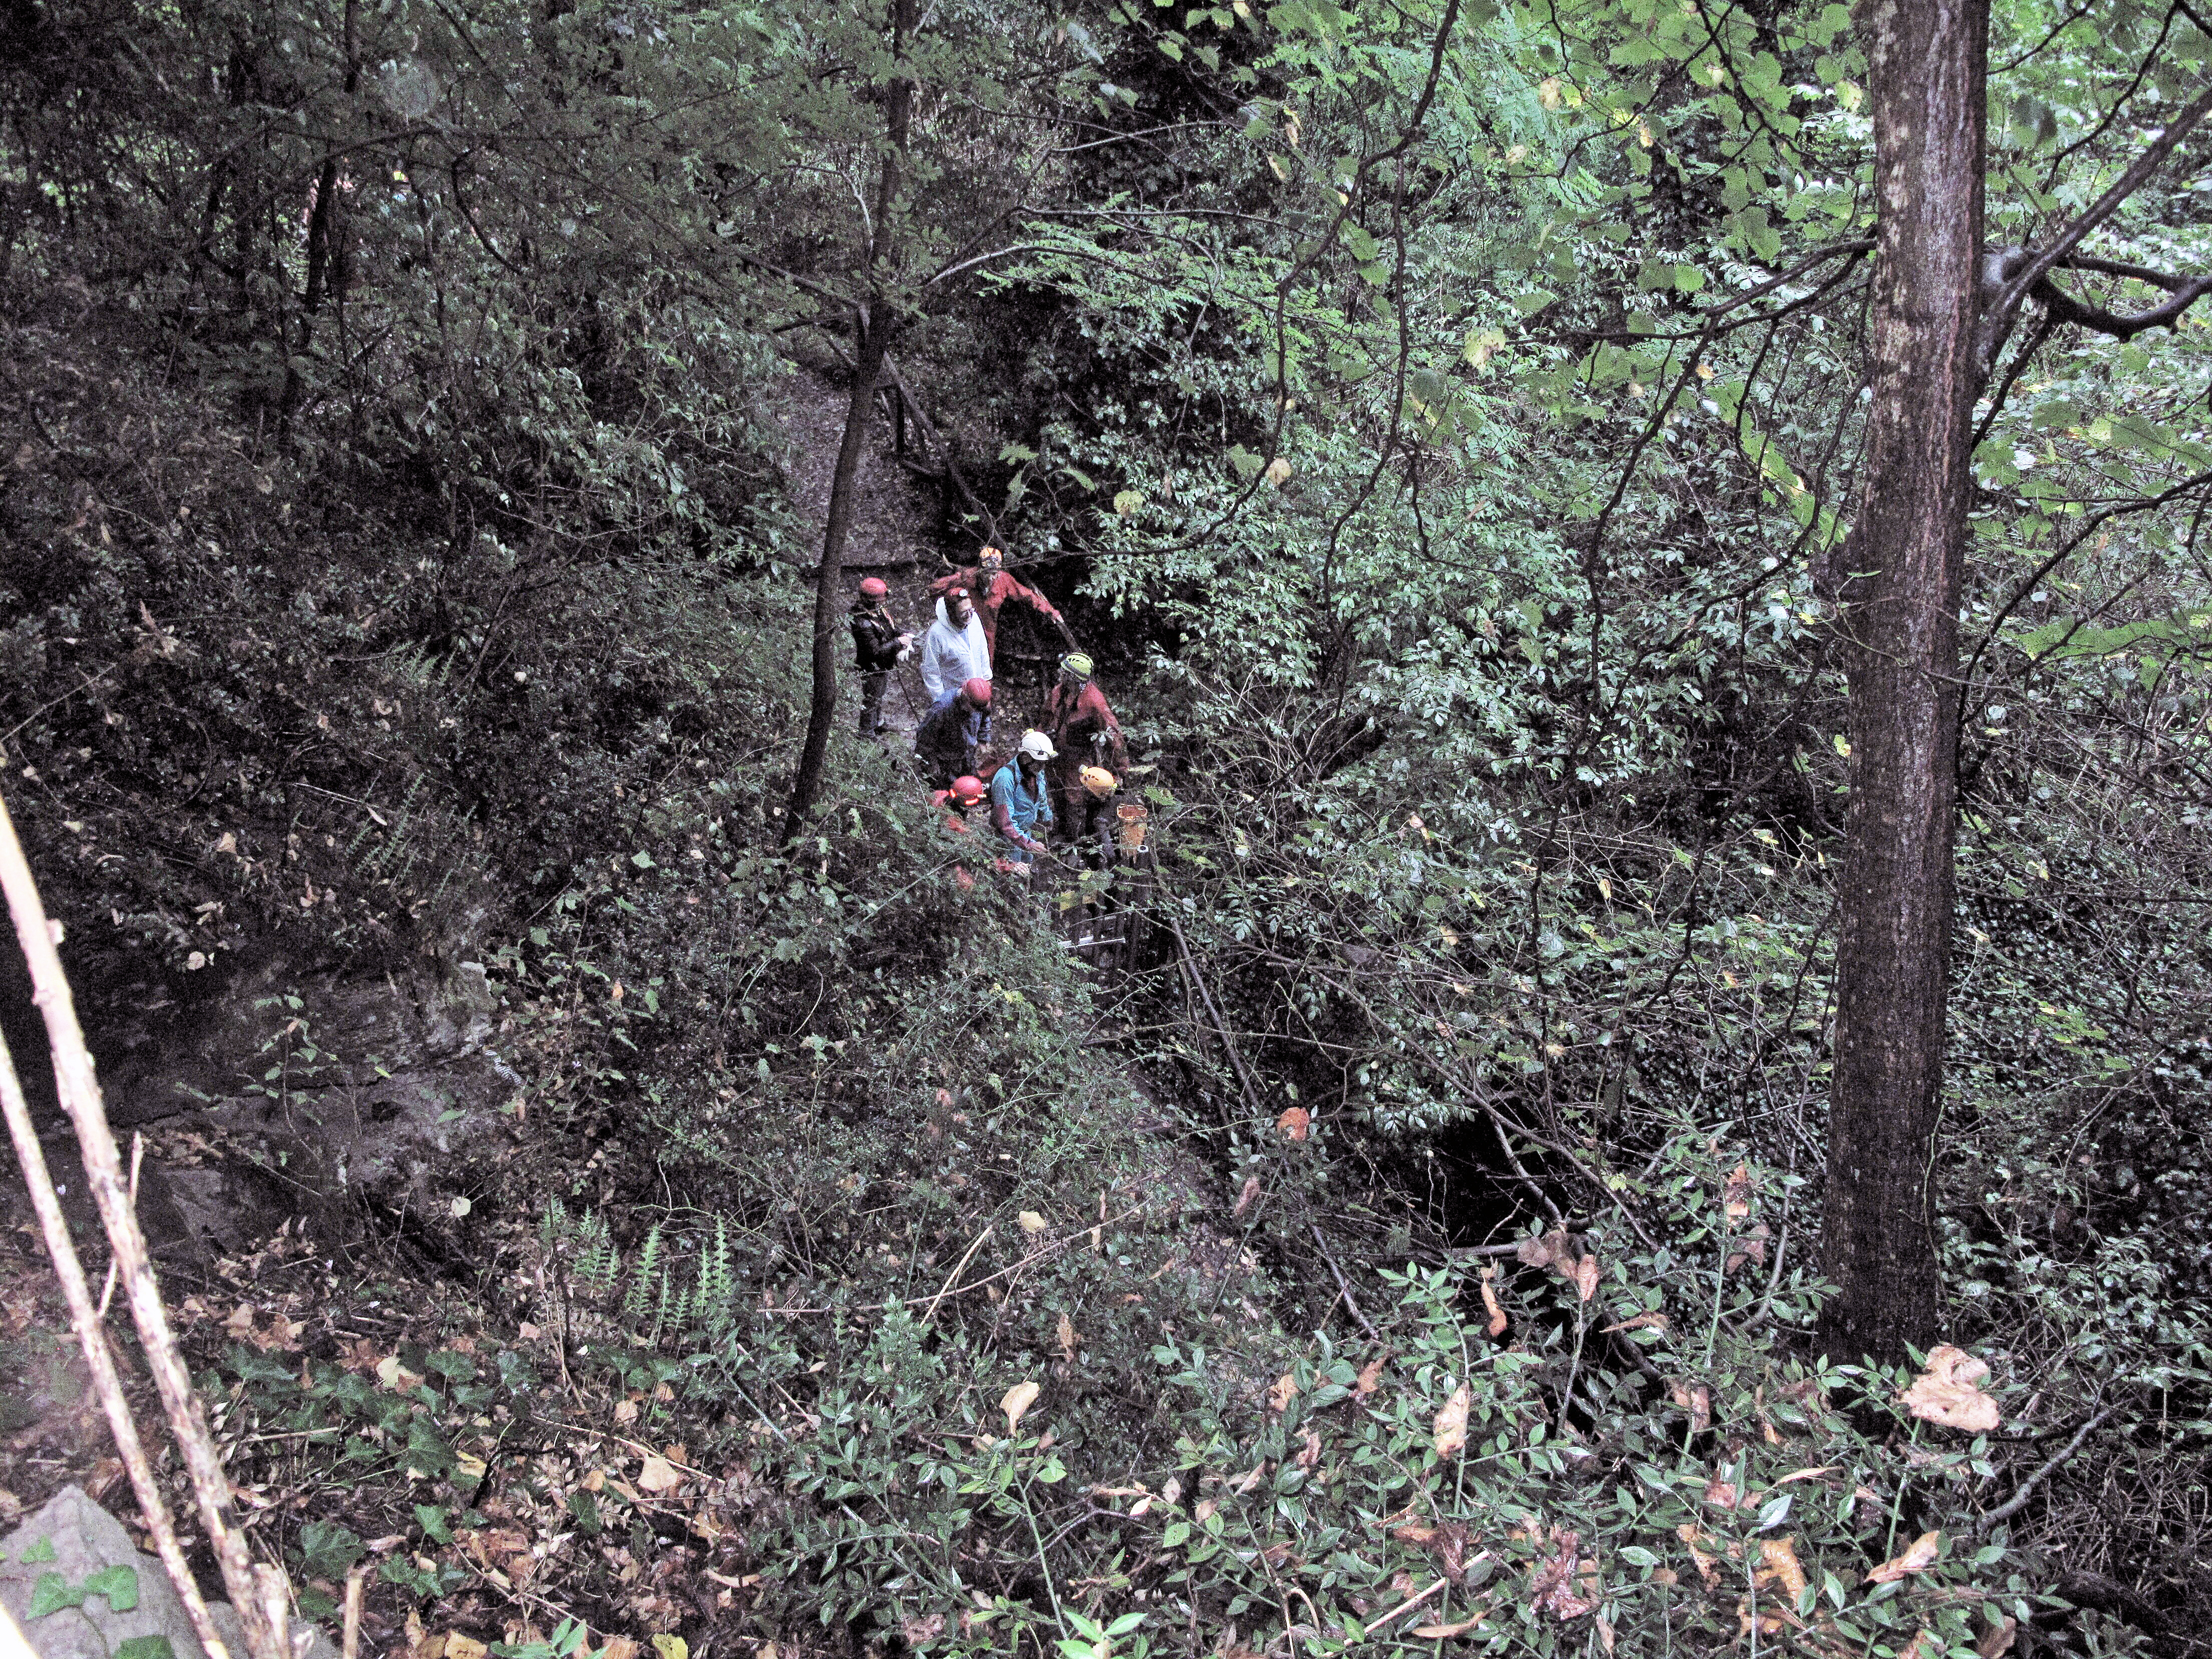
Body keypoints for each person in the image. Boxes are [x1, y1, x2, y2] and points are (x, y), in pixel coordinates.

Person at [930, 546, 1074, 657]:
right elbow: (945, 585)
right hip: (963, 625)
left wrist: (1050, 611)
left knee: (986, 659)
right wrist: (931, 593)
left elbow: (1027, 595)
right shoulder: (968, 578)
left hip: (987, 629)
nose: (992, 578)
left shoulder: (1004, 581)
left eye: (995, 574)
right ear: (980, 570)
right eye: (988, 573)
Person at [1045, 653, 1130, 828]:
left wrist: (1121, 771)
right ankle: (1061, 829)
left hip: (1079, 757)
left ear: (1074, 678)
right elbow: (1045, 718)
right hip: (1056, 754)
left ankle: (1077, 839)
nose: (1062, 675)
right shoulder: (1058, 693)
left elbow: (1114, 734)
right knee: (1056, 791)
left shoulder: (1094, 700)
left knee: (1075, 798)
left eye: (1066, 673)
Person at [849, 576, 910, 735]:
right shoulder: (862, 623)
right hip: (871, 666)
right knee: (872, 698)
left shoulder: (877, 612)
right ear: (872, 600)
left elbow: (889, 629)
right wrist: (897, 642)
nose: (882, 603)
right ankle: (866, 732)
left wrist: (903, 634)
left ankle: (877, 723)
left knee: (878, 695)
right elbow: (874, 652)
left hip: (882, 664)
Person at [990, 730, 1057, 865]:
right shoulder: (1005, 778)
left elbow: (1042, 797)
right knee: (1011, 876)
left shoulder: (1036, 772)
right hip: (1007, 840)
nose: (1042, 767)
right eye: (1039, 763)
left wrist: (1047, 818)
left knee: (1028, 871)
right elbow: (1005, 823)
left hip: (1026, 834)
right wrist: (1029, 844)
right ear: (1026, 757)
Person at [914, 678, 993, 789]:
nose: (976, 711)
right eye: (974, 708)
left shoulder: (980, 704)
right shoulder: (942, 708)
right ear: (965, 697)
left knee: (968, 788)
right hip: (944, 761)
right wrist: (931, 763)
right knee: (943, 792)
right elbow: (924, 739)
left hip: (967, 756)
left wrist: (983, 740)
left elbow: (985, 718)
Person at [919, 586, 992, 702]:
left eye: (971, 610)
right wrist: (941, 700)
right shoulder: (937, 634)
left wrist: (987, 679)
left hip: (978, 694)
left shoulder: (975, 621)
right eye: (964, 612)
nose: (969, 615)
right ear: (952, 613)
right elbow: (931, 670)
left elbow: (983, 649)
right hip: (954, 698)